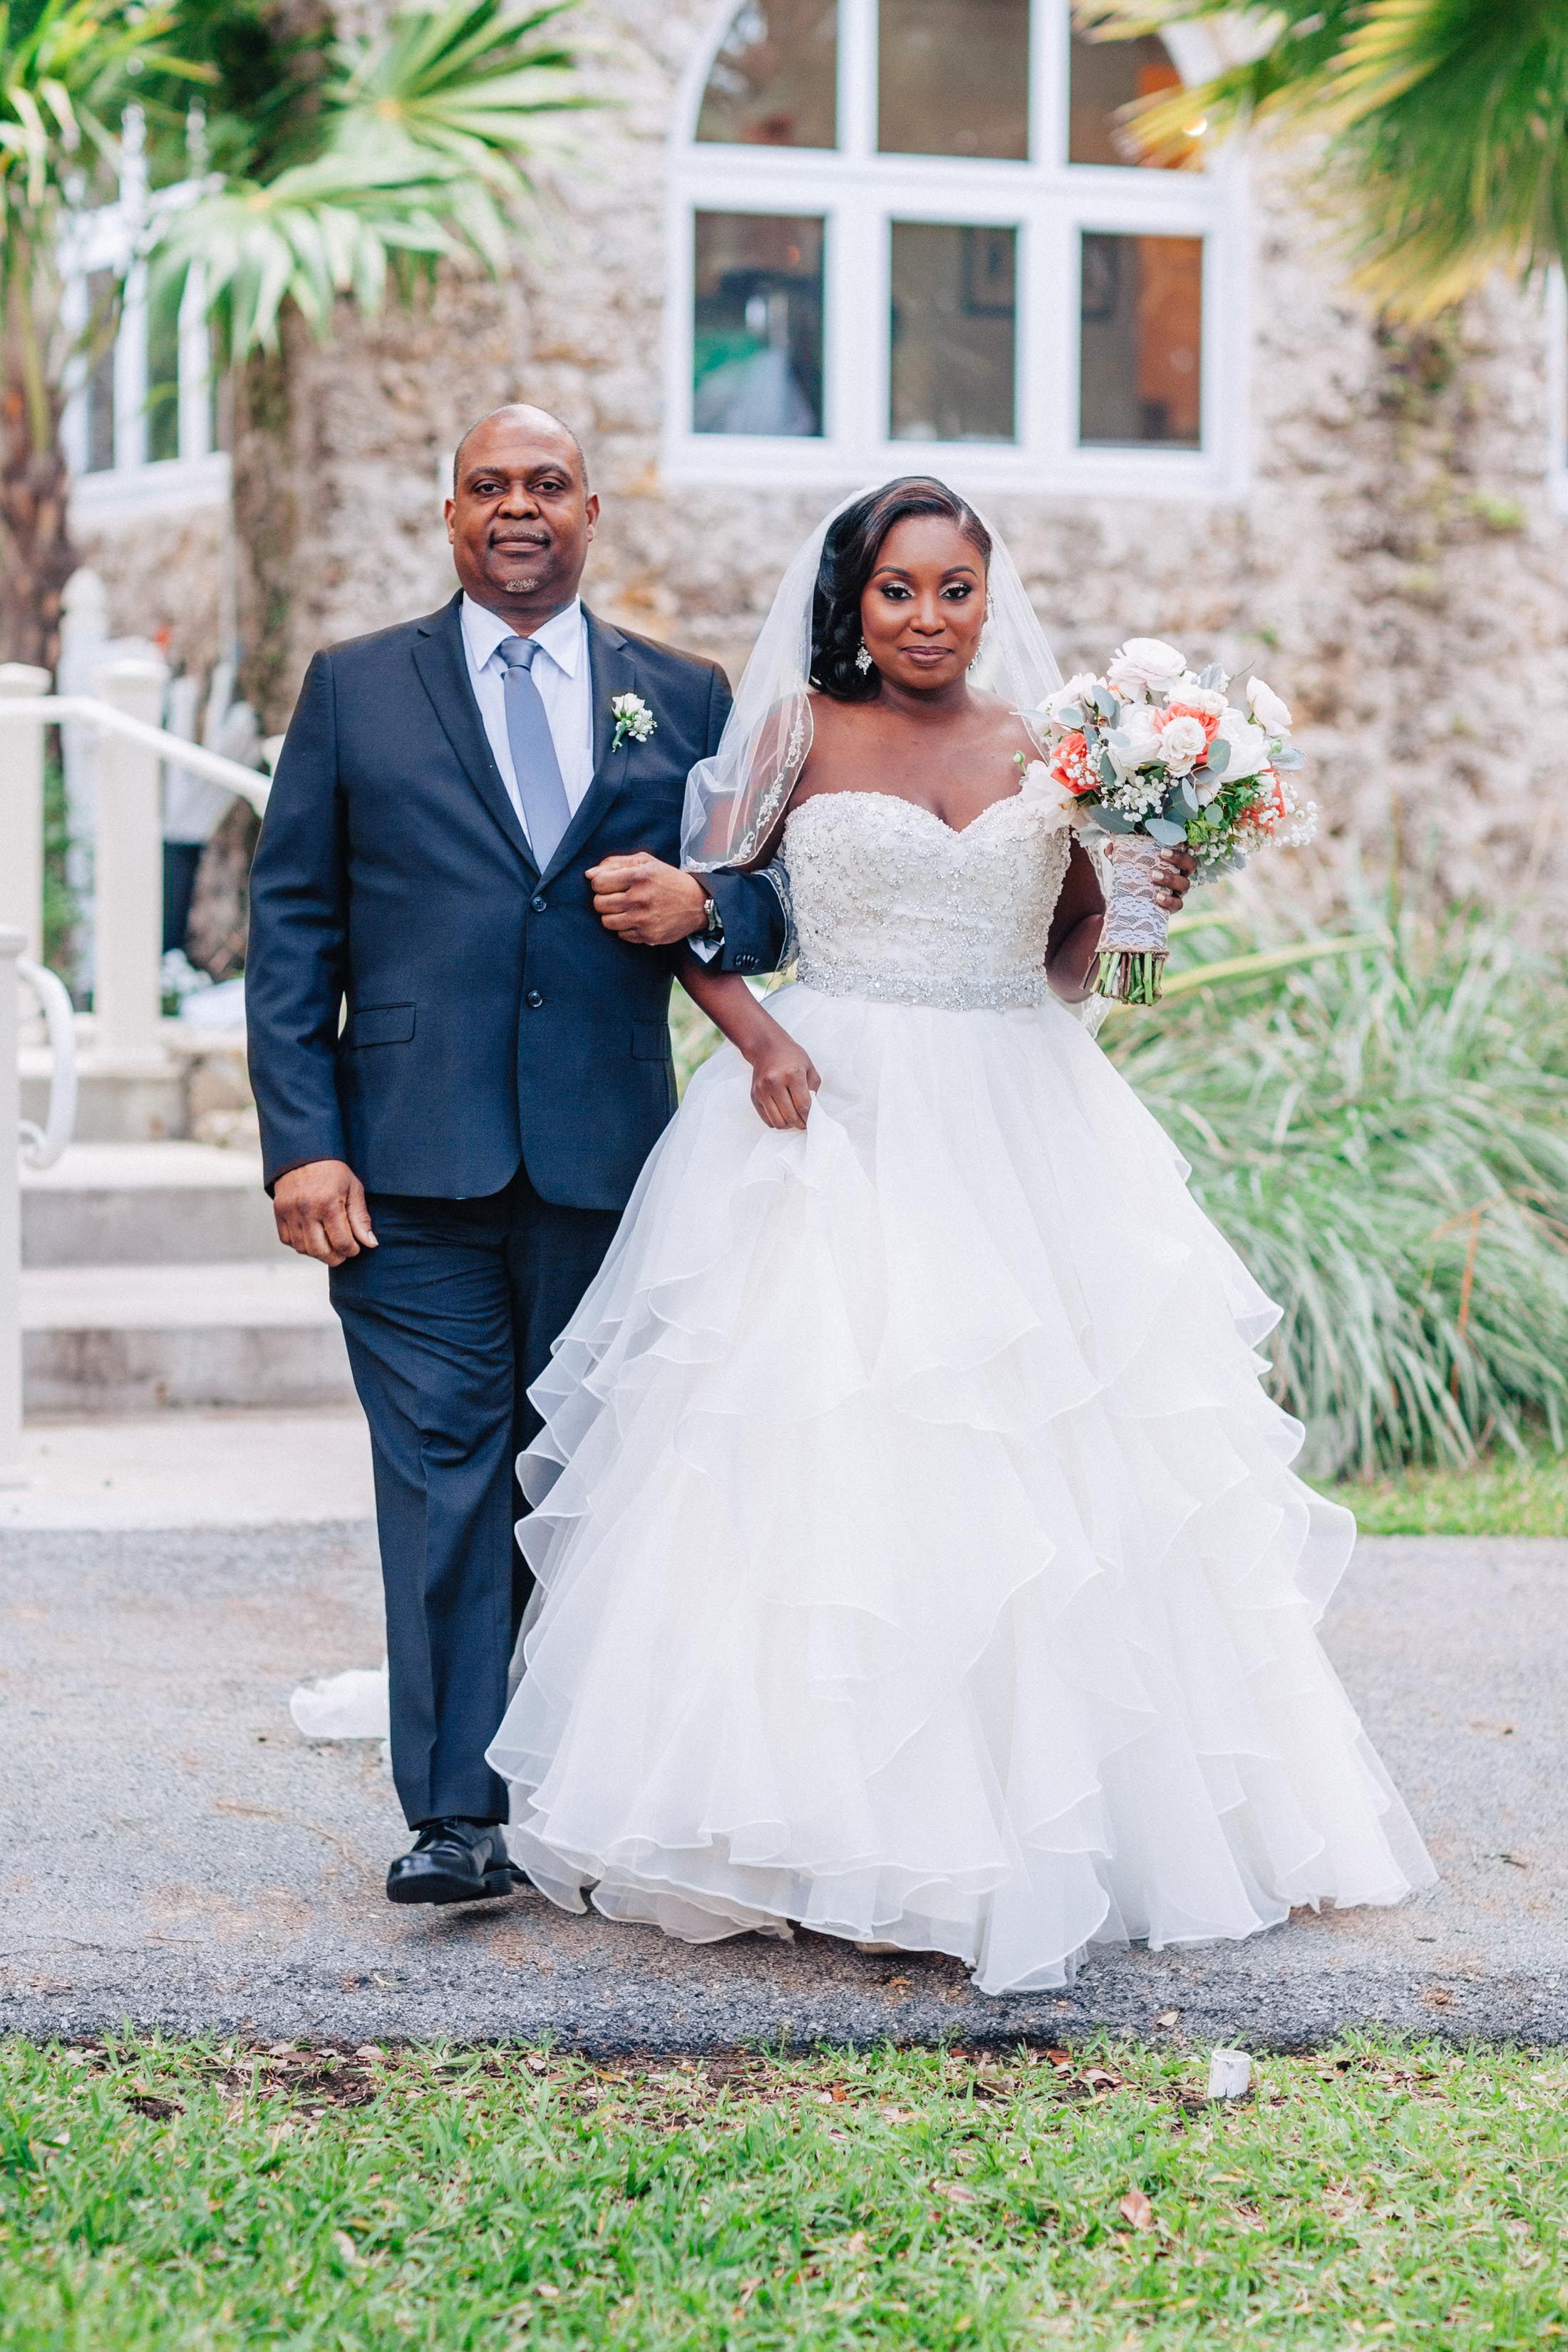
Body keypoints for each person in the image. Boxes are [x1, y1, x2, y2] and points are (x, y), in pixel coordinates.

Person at [483, 477, 1435, 1995]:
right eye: (897, 591)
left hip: (1019, 1114)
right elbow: (704, 915)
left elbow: (1070, 971)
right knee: (825, 1454)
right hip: (828, 1111)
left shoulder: (1053, 750)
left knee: (1049, 1467)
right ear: (850, 601)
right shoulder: (794, 731)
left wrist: (1141, 904)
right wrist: (756, 1043)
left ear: (990, 598)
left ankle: (1052, 1828)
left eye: (954, 590)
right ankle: (810, 1823)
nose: (926, 619)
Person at [246, 404, 793, 1906]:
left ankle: (579, 1785)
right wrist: (302, 1143)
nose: (516, 509)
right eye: (488, 487)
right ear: (448, 516)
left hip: (608, 1167)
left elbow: (766, 896)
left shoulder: (677, 696)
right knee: (439, 1478)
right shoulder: (356, 692)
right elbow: (290, 929)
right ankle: (453, 1815)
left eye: (545, 485)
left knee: (584, 1479)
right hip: (403, 1170)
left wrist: (702, 910)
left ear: (592, 512)